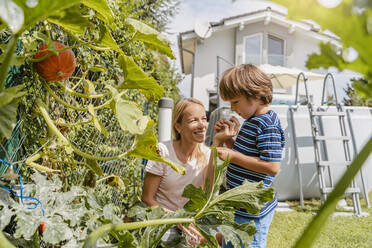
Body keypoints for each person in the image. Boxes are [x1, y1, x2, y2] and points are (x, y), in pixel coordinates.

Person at [213, 64, 285, 248]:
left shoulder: (267, 124)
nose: (233, 108)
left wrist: (232, 156)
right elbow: (246, 155)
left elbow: (272, 167)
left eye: (235, 102)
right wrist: (230, 141)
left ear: (255, 94)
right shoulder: (253, 121)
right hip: (243, 205)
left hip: (254, 211)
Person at [141, 98, 211, 246]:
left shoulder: (209, 155)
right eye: (193, 120)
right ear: (178, 126)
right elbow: (148, 198)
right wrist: (177, 219)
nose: (202, 125)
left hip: (190, 222)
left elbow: (209, 195)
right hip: (162, 220)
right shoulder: (163, 151)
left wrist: (218, 141)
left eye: (204, 119)